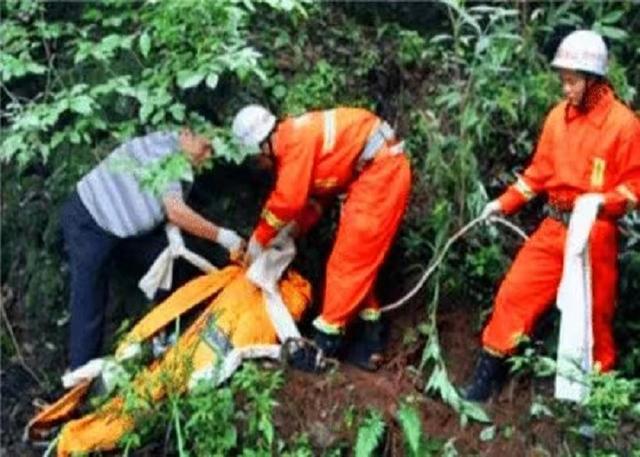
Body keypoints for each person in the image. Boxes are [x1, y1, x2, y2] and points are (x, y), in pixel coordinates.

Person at [462, 30, 640, 402]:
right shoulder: (557, 119)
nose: (566, 89)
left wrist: (601, 202)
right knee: (514, 293)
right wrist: (503, 203)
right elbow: (537, 174)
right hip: (554, 226)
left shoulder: (624, 125)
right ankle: (486, 379)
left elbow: (634, 188)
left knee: (594, 316)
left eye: (572, 81)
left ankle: (595, 399)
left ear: (594, 80)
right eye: (563, 80)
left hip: (595, 234)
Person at [231, 105, 412, 371]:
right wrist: (292, 231)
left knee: (346, 264)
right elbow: (315, 197)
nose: (260, 163)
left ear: (263, 144)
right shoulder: (294, 138)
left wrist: (260, 238)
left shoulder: (293, 144)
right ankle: (369, 338)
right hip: (374, 173)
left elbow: (287, 201)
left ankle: (323, 345)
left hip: (381, 176)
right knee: (359, 263)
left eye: (257, 156)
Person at [60, 128, 245, 370]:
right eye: (206, 147)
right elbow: (176, 211)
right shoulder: (165, 152)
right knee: (90, 295)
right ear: (187, 134)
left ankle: (164, 335)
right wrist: (224, 237)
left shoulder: (181, 159)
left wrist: (173, 235)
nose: (209, 156)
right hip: (91, 219)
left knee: (169, 260)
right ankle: (79, 375)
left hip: (126, 230)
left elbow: (165, 207)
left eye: (212, 150)